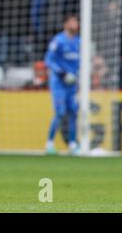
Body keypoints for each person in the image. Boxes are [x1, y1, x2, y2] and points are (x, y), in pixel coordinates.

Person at [44, 14, 80, 155]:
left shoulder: (79, 42)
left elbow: (81, 62)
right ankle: (49, 143)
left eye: (76, 21)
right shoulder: (58, 41)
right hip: (59, 82)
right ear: (65, 24)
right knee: (60, 112)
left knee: (73, 112)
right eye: (72, 21)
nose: (75, 24)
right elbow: (49, 60)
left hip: (73, 83)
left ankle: (72, 144)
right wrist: (62, 73)